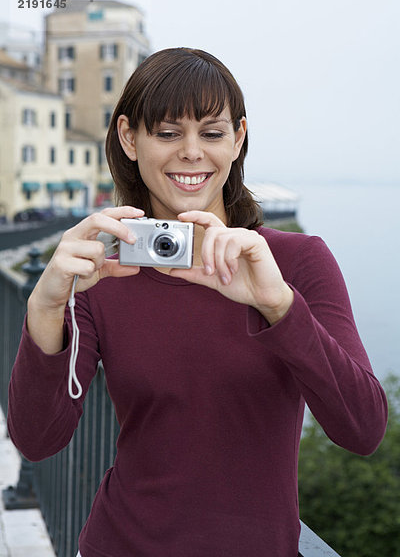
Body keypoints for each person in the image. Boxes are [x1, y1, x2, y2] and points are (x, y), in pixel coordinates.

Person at [7, 47, 388, 557]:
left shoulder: (294, 261)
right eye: (167, 133)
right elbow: (38, 439)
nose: (192, 152)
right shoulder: (106, 271)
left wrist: (279, 305)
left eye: (212, 133)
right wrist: (43, 311)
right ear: (129, 138)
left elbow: (362, 430)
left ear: (238, 139)